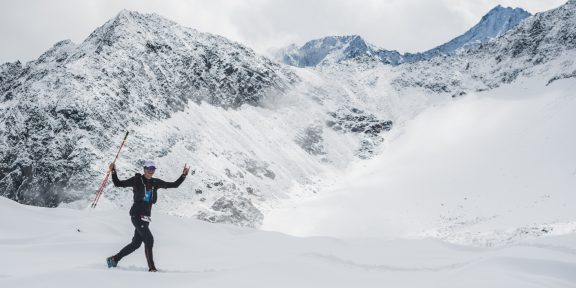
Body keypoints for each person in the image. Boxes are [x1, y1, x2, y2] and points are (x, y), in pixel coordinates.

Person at [106, 161, 190, 272]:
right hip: (136, 214)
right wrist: (113, 171)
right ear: (144, 169)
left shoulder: (156, 182)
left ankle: (114, 259)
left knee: (136, 244)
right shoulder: (137, 180)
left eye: (153, 169)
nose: (151, 171)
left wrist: (183, 175)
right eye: (149, 169)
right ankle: (152, 268)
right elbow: (118, 183)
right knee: (149, 240)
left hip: (146, 217)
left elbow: (174, 185)